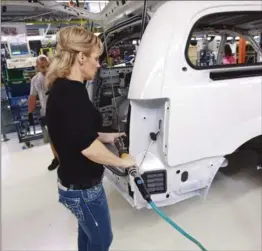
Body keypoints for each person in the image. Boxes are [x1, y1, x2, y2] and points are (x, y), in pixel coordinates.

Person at [45, 26, 136, 251]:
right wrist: (123, 162)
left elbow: (77, 132)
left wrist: (110, 136)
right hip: (84, 191)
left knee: (87, 237)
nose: (99, 64)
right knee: (102, 240)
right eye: (96, 58)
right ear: (81, 57)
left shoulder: (63, 88)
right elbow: (88, 148)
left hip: (72, 185)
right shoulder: (72, 94)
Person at [28, 55, 59, 171]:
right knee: (52, 139)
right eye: (42, 67)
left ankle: (68, 158)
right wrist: (30, 112)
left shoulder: (58, 75)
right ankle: (56, 158)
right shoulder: (35, 80)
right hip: (46, 113)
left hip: (61, 112)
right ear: (37, 67)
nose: (45, 69)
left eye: (47, 66)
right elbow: (32, 96)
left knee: (66, 135)